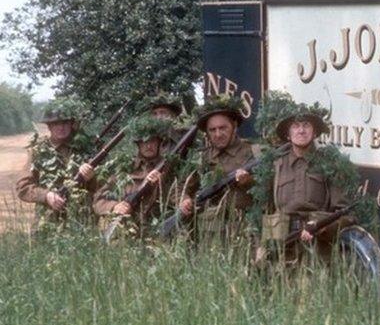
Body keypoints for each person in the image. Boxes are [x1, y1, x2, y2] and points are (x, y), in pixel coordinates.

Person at [250, 97, 359, 266]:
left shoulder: (330, 165)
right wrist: (261, 248)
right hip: (282, 250)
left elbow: (346, 215)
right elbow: (263, 210)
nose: (301, 130)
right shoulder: (275, 165)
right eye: (295, 126)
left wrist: (323, 227)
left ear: (315, 132)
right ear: (288, 134)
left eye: (306, 125)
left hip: (318, 251)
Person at [178, 95, 258, 245]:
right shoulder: (200, 157)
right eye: (212, 130)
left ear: (234, 126)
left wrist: (249, 181)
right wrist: (184, 200)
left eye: (223, 128)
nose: (218, 134)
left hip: (246, 233)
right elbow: (181, 186)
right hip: (209, 235)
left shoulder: (254, 152)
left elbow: (271, 188)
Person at [16, 97, 97, 232]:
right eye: (56, 123)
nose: (61, 127)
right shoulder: (38, 151)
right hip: (48, 223)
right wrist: (46, 196)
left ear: (72, 124)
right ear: (49, 126)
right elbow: (23, 187)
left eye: (65, 123)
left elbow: (104, 189)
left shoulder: (87, 149)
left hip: (82, 223)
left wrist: (92, 178)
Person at [93, 116, 174, 239]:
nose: (148, 146)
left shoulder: (169, 168)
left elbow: (178, 196)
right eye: (144, 141)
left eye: (152, 141)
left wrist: (161, 183)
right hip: (128, 227)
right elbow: (98, 200)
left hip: (157, 228)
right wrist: (115, 206)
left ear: (159, 143)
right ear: (138, 144)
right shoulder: (124, 168)